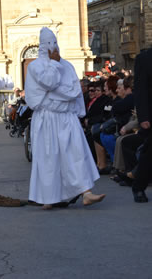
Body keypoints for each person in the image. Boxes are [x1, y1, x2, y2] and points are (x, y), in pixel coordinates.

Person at [25, 27, 105, 209]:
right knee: (49, 158)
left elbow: (74, 91)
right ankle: (48, 197)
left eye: (55, 44)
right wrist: (54, 66)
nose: (53, 48)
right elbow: (50, 83)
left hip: (66, 117)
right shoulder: (36, 67)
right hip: (48, 118)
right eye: (49, 44)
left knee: (75, 154)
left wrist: (75, 110)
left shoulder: (67, 65)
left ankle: (86, 192)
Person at [131, 48, 152, 203]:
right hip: (151, 114)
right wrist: (143, 116)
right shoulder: (144, 58)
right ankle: (139, 187)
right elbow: (140, 90)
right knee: (149, 154)